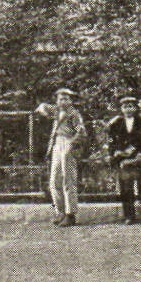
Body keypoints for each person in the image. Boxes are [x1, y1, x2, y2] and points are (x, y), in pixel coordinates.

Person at [35, 88, 86, 227]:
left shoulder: (74, 114)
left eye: (66, 98)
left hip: (68, 143)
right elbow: (42, 107)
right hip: (56, 144)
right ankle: (60, 211)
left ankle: (71, 214)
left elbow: (81, 132)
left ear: (71, 101)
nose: (62, 101)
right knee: (54, 180)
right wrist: (43, 109)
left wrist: (71, 144)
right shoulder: (56, 111)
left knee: (68, 180)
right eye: (60, 99)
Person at [106, 96, 141, 224]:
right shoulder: (116, 123)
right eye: (125, 106)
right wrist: (116, 152)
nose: (128, 109)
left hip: (139, 158)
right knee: (126, 188)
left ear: (136, 108)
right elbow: (111, 141)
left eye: (131, 106)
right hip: (123, 160)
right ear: (121, 108)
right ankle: (129, 215)